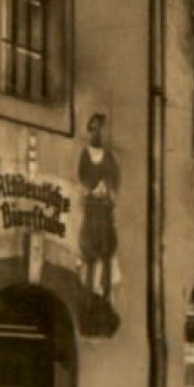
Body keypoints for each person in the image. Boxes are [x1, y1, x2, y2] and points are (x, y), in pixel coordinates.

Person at [77, 112, 120, 301]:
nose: (97, 133)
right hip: (91, 208)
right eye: (94, 129)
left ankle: (105, 292)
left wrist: (107, 186)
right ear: (90, 131)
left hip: (104, 209)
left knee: (106, 250)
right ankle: (87, 292)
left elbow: (114, 176)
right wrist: (93, 187)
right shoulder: (85, 154)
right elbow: (82, 175)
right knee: (90, 251)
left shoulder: (109, 156)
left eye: (100, 129)